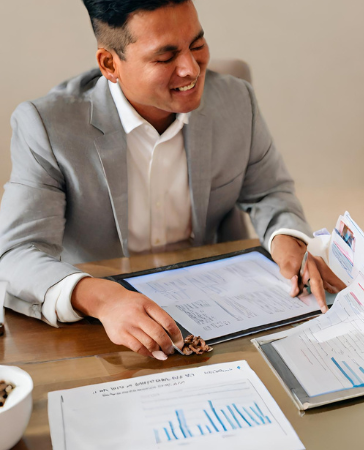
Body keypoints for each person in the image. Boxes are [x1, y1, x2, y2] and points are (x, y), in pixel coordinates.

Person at [0, 0, 339, 360]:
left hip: (220, 312)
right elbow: (16, 253)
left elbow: (270, 191)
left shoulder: (236, 100)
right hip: (105, 327)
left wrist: (286, 238)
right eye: (165, 58)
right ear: (110, 64)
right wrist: (100, 297)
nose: (191, 69)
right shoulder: (48, 125)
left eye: (197, 45)